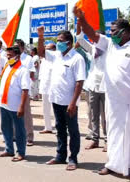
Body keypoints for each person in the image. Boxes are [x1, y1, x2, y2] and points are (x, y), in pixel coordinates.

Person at [74, 7, 130, 180]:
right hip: (112, 98)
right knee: (112, 132)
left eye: (114, 31)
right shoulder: (109, 45)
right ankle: (112, 165)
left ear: (125, 32)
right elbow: (92, 35)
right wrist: (82, 19)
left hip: (129, 100)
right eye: (110, 31)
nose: (111, 34)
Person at [37, 26, 86, 171]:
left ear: (69, 43)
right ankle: (60, 156)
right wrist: (41, 37)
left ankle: (73, 158)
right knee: (60, 129)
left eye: (61, 41)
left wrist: (73, 103)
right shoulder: (57, 55)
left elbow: (79, 82)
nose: (58, 43)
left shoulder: (77, 58)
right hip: (56, 99)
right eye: (57, 41)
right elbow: (41, 52)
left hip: (69, 102)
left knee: (73, 130)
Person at [75, 26, 107, 152]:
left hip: (106, 87)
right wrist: (80, 26)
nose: (95, 41)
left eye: (97, 38)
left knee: (106, 116)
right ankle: (95, 139)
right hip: (93, 86)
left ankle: (107, 140)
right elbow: (79, 39)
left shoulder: (111, 50)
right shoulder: (92, 50)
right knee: (93, 114)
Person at [38, 41, 56, 134]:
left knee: (56, 109)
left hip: (54, 88)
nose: (45, 50)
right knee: (45, 108)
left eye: (48, 49)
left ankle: (58, 127)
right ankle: (48, 127)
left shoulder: (56, 58)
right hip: (44, 87)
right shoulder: (43, 60)